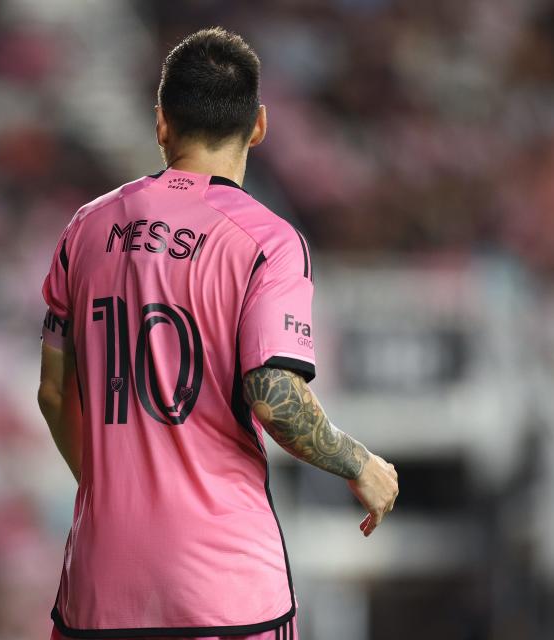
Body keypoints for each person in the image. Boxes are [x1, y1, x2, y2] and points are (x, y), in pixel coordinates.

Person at [37, 27, 399, 640]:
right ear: (258, 126)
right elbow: (272, 393)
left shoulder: (86, 229)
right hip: (226, 589)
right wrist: (358, 463)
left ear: (160, 124)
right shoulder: (268, 243)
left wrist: (117, 491)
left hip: (100, 586)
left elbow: (52, 393)